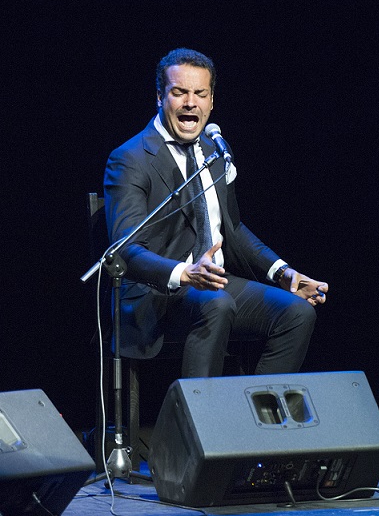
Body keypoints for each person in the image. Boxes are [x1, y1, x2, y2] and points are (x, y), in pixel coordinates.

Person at [104, 47, 326, 378]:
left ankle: (257, 421)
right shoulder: (131, 159)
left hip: (214, 287)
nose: (190, 102)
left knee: (297, 313)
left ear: (211, 101)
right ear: (160, 96)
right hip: (157, 295)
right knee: (217, 305)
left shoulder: (215, 151)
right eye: (179, 92)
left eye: (200, 94)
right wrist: (186, 272)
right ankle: (197, 426)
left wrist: (284, 273)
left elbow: (232, 230)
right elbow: (127, 249)